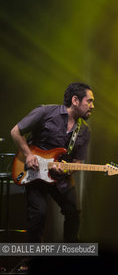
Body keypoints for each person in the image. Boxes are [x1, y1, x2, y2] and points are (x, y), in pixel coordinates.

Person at [10, 82, 95, 243]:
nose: (92, 106)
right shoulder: (45, 112)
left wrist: (66, 170)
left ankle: (70, 256)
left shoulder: (84, 131)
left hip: (61, 178)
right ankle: (34, 259)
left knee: (73, 213)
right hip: (34, 173)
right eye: (89, 101)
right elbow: (15, 131)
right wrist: (28, 155)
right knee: (38, 215)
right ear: (75, 100)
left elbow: (77, 161)